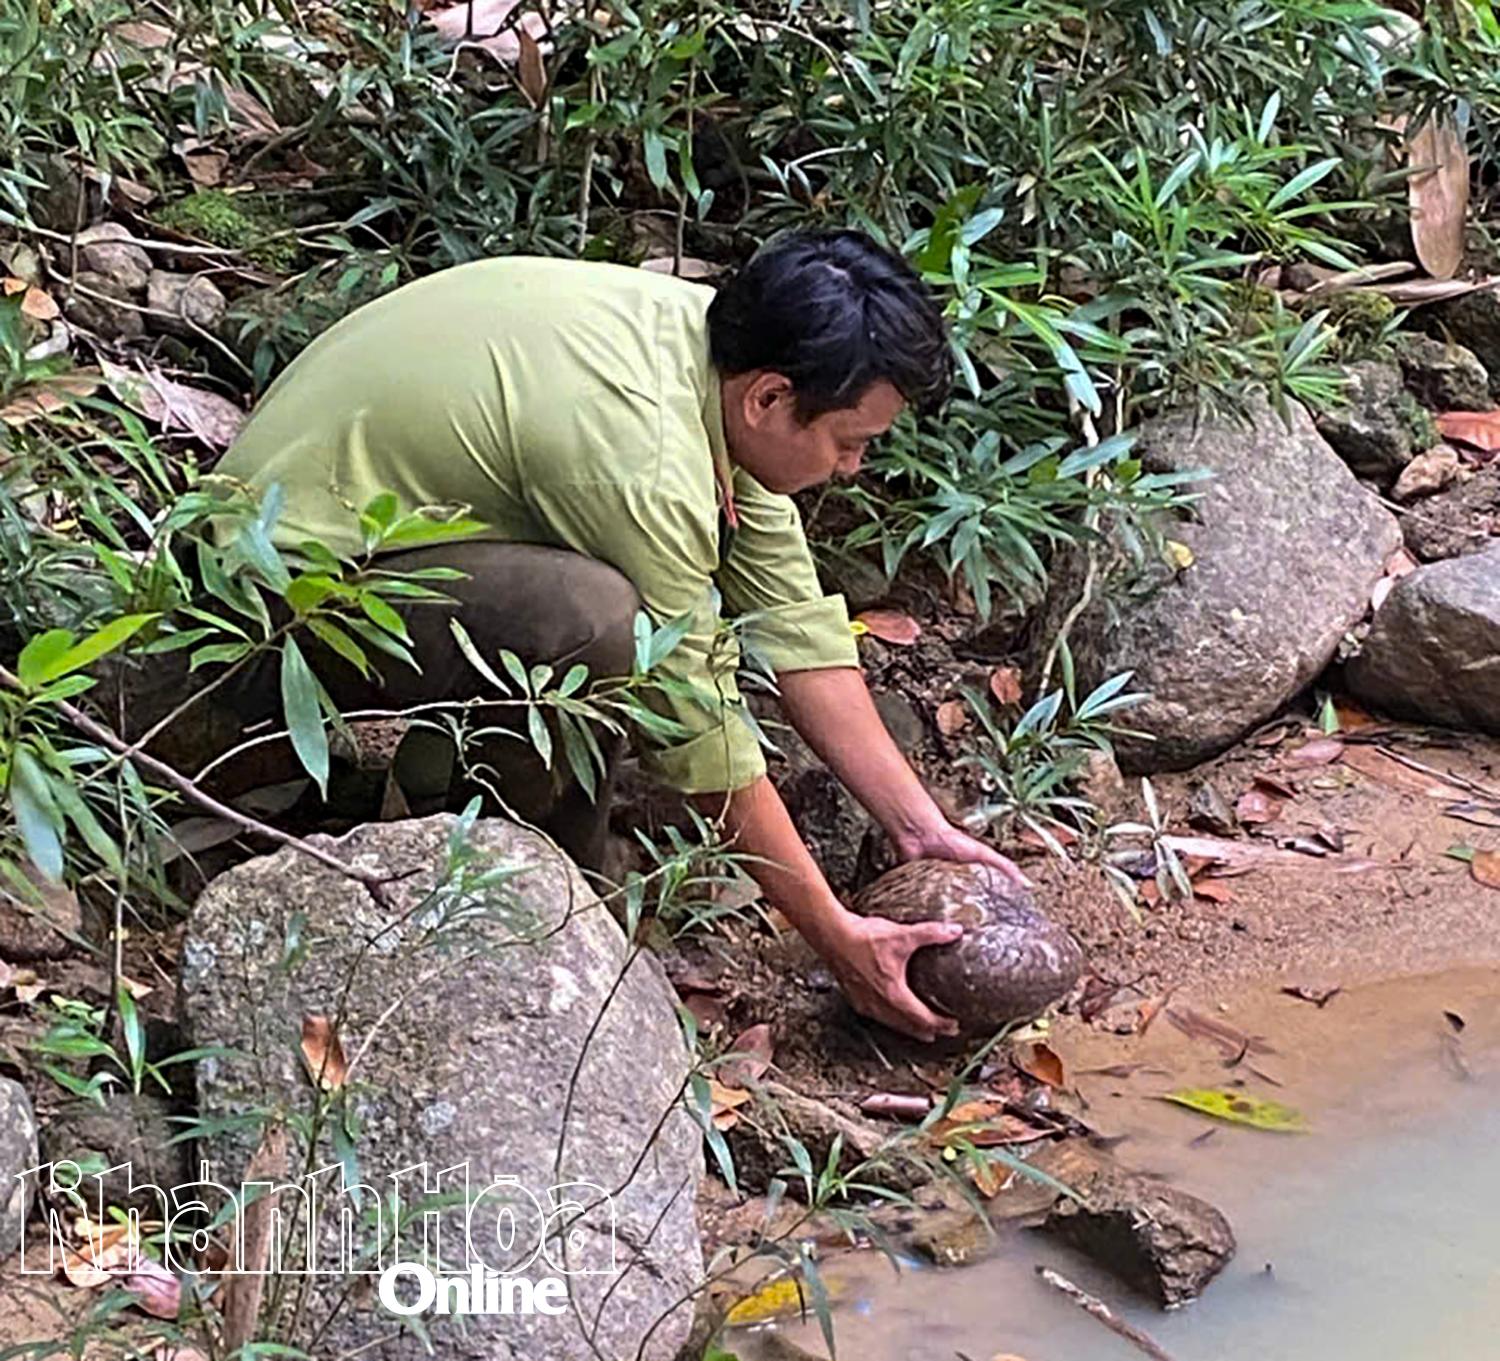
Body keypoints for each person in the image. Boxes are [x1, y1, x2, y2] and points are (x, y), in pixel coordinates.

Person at [212, 230, 1029, 1043]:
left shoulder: (713, 356)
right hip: (260, 604)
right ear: (772, 401)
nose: (851, 468)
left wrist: (918, 827)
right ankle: (500, 890)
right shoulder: (642, 454)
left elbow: (794, 626)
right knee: (592, 621)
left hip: (356, 542)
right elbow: (694, 718)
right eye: (849, 443)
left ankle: (506, 840)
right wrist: (837, 936)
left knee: (592, 608)